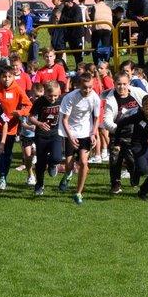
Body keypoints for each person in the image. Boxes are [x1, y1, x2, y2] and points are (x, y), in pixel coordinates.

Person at [57, 72, 102, 204]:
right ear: (78, 86)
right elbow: (64, 120)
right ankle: (68, 174)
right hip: (70, 131)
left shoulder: (95, 98)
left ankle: (78, 193)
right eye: (84, 87)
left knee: (83, 162)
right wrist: (70, 136)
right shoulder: (70, 97)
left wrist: (93, 133)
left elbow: (96, 118)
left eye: (90, 87)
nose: (87, 90)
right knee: (69, 165)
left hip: (86, 132)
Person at [27, 80, 63, 196]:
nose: (53, 98)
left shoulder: (62, 100)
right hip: (41, 135)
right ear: (45, 92)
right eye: (50, 95)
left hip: (56, 134)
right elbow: (30, 117)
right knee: (41, 162)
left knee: (57, 157)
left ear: (59, 92)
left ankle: (52, 164)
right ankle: (39, 185)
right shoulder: (40, 101)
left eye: (55, 96)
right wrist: (39, 124)